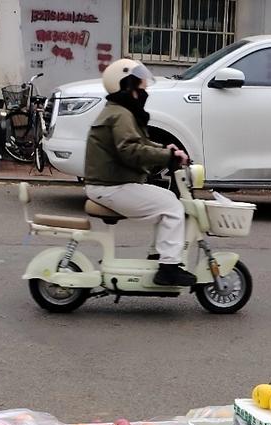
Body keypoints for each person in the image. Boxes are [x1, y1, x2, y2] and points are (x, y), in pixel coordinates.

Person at [84, 58, 196, 286]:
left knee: (167, 199)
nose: (144, 92)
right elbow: (130, 150)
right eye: (140, 86)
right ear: (127, 85)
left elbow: (139, 143)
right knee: (173, 207)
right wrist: (168, 156)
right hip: (111, 186)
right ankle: (168, 268)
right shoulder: (121, 115)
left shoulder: (119, 111)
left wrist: (165, 149)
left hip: (110, 183)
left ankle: (158, 257)